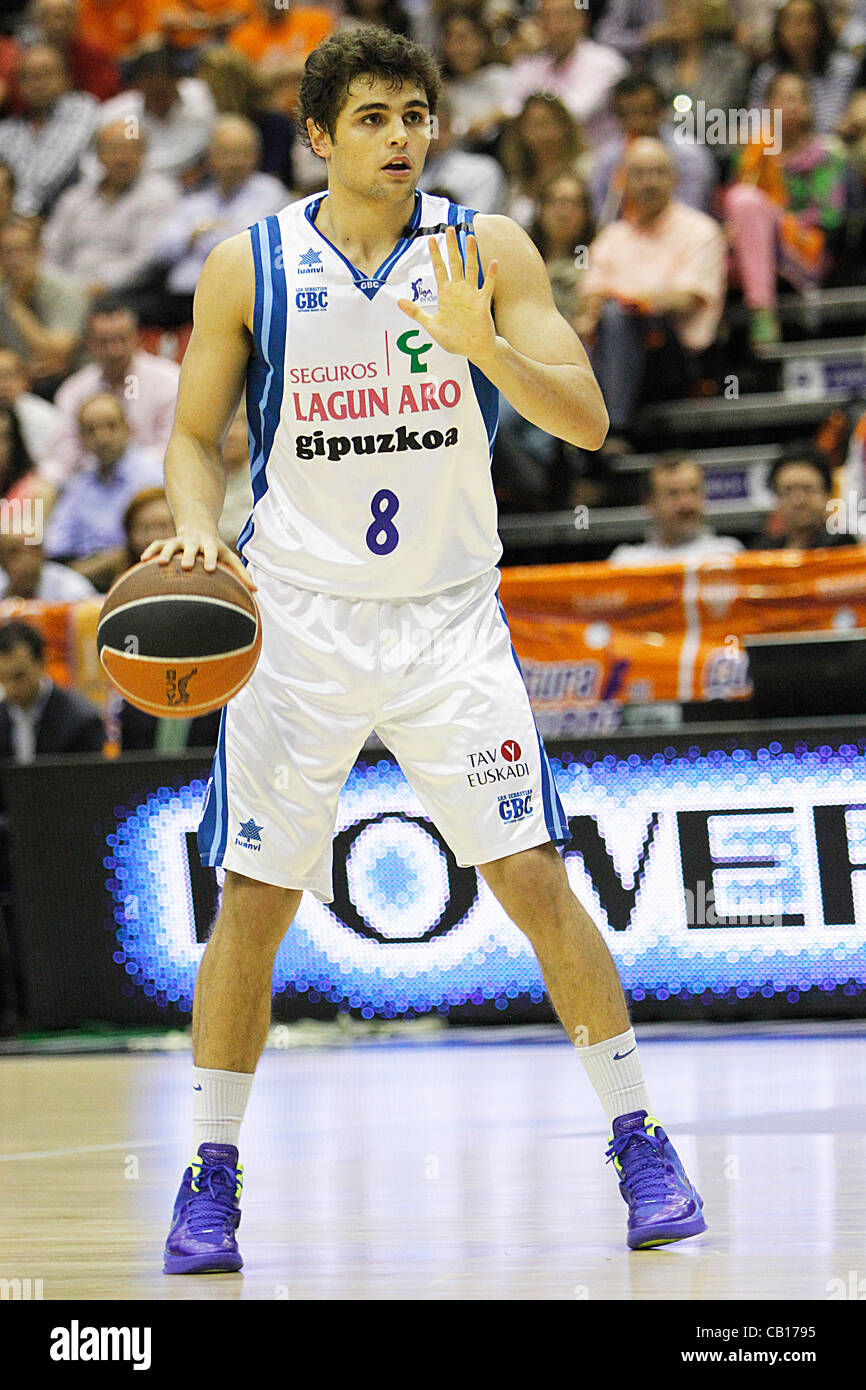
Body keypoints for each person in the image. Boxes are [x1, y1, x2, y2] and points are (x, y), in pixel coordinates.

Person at [146, 26, 706, 1277]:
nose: (401, 137)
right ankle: (211, 1174)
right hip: (297, 622)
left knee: (533, 880)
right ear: (317, 135)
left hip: (450, 620)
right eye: (373, 118)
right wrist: (193, 529)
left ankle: (639, 1138)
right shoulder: (248, 267)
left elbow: (589, 419)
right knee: (254, 902)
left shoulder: (486, 247)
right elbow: (192, 438)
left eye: (415, 114)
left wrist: (483, 345)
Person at [577, 138, 727, 439]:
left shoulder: (701, 230)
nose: (649, 183)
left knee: (618, 315)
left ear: (674, 179)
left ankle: (612, 428)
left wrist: (626, 299)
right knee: (584, 326)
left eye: (658, 173)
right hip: (615, 346)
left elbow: (686, 300)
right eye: (640, 174)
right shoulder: (612, 236)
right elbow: (590, 297)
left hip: (676, 356)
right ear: (623, 181)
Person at [725, 70, 857, 348]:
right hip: (755, 250)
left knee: (745, 200)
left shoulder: (828, 155)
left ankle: (762, 314)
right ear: (767, 108)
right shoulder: (753, 152)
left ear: (811, 107)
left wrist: (773, 219)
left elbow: (830, 218)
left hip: (805, 248)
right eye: (784, 99)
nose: (792, 107)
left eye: (799, 99)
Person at [145, 114, 289, 326]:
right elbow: (158, 248)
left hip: (237, 297)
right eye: (226, 153)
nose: (233, 162)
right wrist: (199, 233)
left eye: (242, 153)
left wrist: (197, 234)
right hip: (180, 298)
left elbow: (243, 243)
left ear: (256, 156)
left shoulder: (270, 194)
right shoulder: (196, 198)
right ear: (210, 157)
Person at [40, 300, 180, 490]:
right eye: (104, 342)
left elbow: (174, 451)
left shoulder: (170, 381)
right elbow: (62, 459)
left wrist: (120, 467)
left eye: (122, 339)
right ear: (89, 344)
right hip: (91, 487)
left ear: (138, 337)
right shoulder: (74, 390)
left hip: (155, 487)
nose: (114, 350)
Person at [41, 120, 178, 300]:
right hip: (67, 290)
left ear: (143, 153)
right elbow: (50, 250)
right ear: (98, 155)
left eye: (130, 149)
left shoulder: (158, 194)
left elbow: (144, 261)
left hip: (124, 293)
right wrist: (56, 284)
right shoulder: (75, 198)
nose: (122, 158)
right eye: (112, 149)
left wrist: (98, 285)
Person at [42, 393, 163, 586]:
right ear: (81, 438)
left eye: (111, 426)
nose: (102, 438)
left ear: (128, 428)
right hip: (81, 583)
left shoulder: (154, 478)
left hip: (141, 576)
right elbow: (55, 546)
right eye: (91, 430)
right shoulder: (79, 485)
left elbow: (148, 544)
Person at [589, 73, 719, 227]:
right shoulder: (608, 159)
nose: (637, 122)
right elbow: (602, 220)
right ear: (616, 117)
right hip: (625, 239)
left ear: (661, 111)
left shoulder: (690, 156)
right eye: (626, 114)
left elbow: (693, 212)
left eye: (645, 112)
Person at [502, 0, 628, 147]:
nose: (555, 25)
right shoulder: (531, 63)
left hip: (596, 157)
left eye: (563, 16)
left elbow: (574, 113)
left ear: (582, 19)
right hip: (543, 158)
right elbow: (510, 106)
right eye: (546, 17)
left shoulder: (606, 62)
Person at [0, 42, 97, 219]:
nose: (37, 83)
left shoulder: (81, 108)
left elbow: (48, 176)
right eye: (29, 77)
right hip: (17, 225)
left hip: (69, 218)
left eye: (46, 74)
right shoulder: (8, 131)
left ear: (66, 78)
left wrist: (18, 216)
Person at [0, 217, 89, 398]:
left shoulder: (66, 291)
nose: (14, 260)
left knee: (46, 382)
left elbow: (57, 354)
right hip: (19, 378)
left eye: (21, 250)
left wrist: (16, 306)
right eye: (6, 252)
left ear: (38, 252)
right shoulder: (2, 293)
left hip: (71, 380)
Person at [749, 0, 859, 136]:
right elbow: (753, 124)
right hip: (777, 146)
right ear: (779, 28)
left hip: (827, 147)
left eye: (808, 22)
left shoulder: (843, 69)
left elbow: (834, 124)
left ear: (820, 26)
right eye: (792, 22)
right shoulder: (767, 73)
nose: (800, 31)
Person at [608, 455, 744, 563]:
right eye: (673, 493)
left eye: (693, 491)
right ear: (649, 503)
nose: (686, 503)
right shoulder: (627, 562)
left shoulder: (729, 554)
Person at [0, 619, 104, 759]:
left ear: (42, 663)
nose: (10, 689)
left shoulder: (81, 722)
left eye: (19, 677)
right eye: (2, 678)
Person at [753, 443, 858, 548]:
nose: (798, 500)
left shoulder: (842, 547)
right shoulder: (764, 553)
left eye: (807, 489)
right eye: (787, 491)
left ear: (828, 494)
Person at [417, 93, 506, 213]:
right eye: (427, 128)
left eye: (440, 128)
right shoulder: (403, 173)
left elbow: (473, 225)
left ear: (452, 128)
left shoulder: (482, 171)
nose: (433, 137)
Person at [0, 519, 98, 601]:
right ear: (2, 558)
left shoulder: (73, 591)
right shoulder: (2, 587)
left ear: (43, 552)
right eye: (14, 551)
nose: (27, 558)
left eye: (34, 548)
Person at [0, 348, 60, 464]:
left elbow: (50, 465)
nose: (2, 385)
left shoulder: (46, 417)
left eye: (8, 376)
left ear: (25, 380)